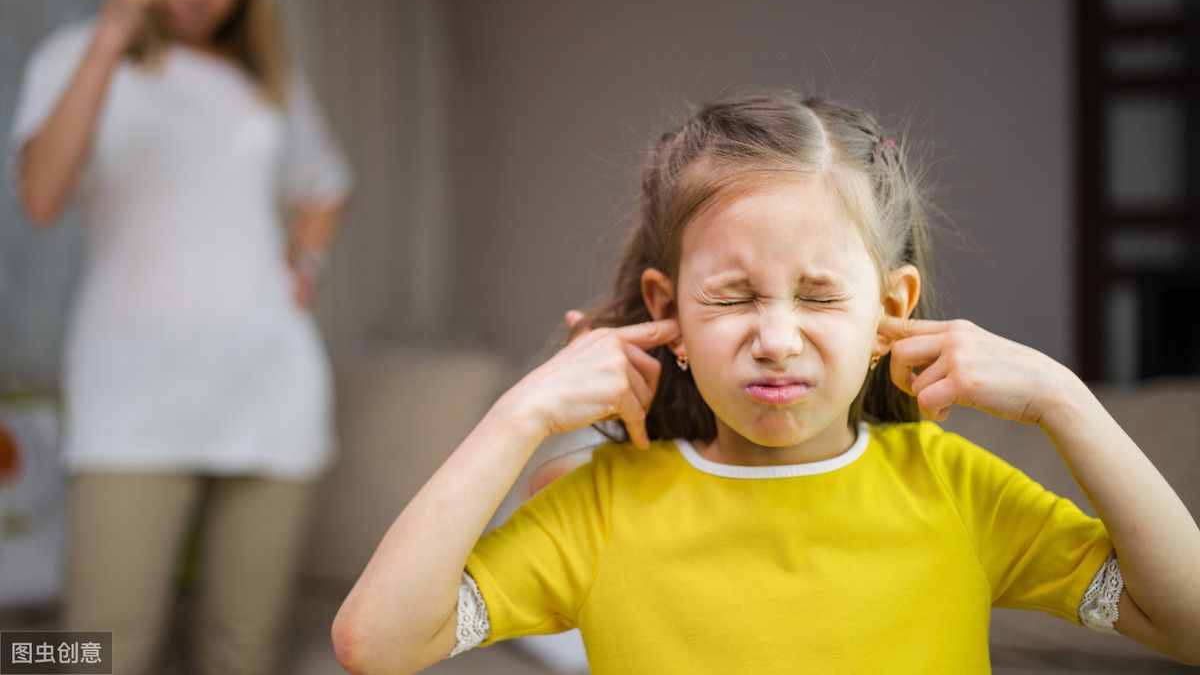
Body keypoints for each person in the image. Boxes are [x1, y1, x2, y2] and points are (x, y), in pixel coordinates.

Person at [330, 93, 1200, 673]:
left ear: (889, 310)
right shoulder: (599, 509)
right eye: (733, 296)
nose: (776, 339)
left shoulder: (956, 490)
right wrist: (520, 412)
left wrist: (1065, 399)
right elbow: (376, 642)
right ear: (667, 312)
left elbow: (1185, 620)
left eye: (820, 295)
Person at [7, 0, 354, 673]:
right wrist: (113, 32)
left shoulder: (266, 84)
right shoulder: (76, 53)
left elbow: (327, 185)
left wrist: (307, 260)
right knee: (95, 650)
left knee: (244, 650)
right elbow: (40, 195)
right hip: (130, 396)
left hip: (269, 389)